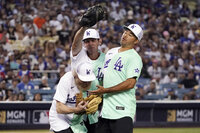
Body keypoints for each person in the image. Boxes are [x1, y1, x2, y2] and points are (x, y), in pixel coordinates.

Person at [90, 24, 143, 133]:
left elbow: (130, 83)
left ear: (136, 41)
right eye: (125, 32)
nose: (125, 35)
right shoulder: (110, 52)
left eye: (131, 34)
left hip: (122, 111)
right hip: (106, 111)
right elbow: (105, 77)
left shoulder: (134, 58)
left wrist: (106, 90)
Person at [71, 27, 105, 132]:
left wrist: (100, 98)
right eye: (86, 41)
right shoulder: (78, 56)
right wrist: (83, 27)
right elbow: (75, 45)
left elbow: (107, 83)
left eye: (93, 40)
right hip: (76, 104)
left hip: (95, 107)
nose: (90, 43)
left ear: (99, 41)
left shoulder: (107, 59)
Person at [49, 62, 96, 133]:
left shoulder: (94, 83)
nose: (86, 83)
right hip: (60, 118)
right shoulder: (66, 80)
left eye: (88, 80)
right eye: (83, 80)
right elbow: (59, 108)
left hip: (77, 119)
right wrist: (76, 110)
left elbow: (97, 97)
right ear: (76, 76)